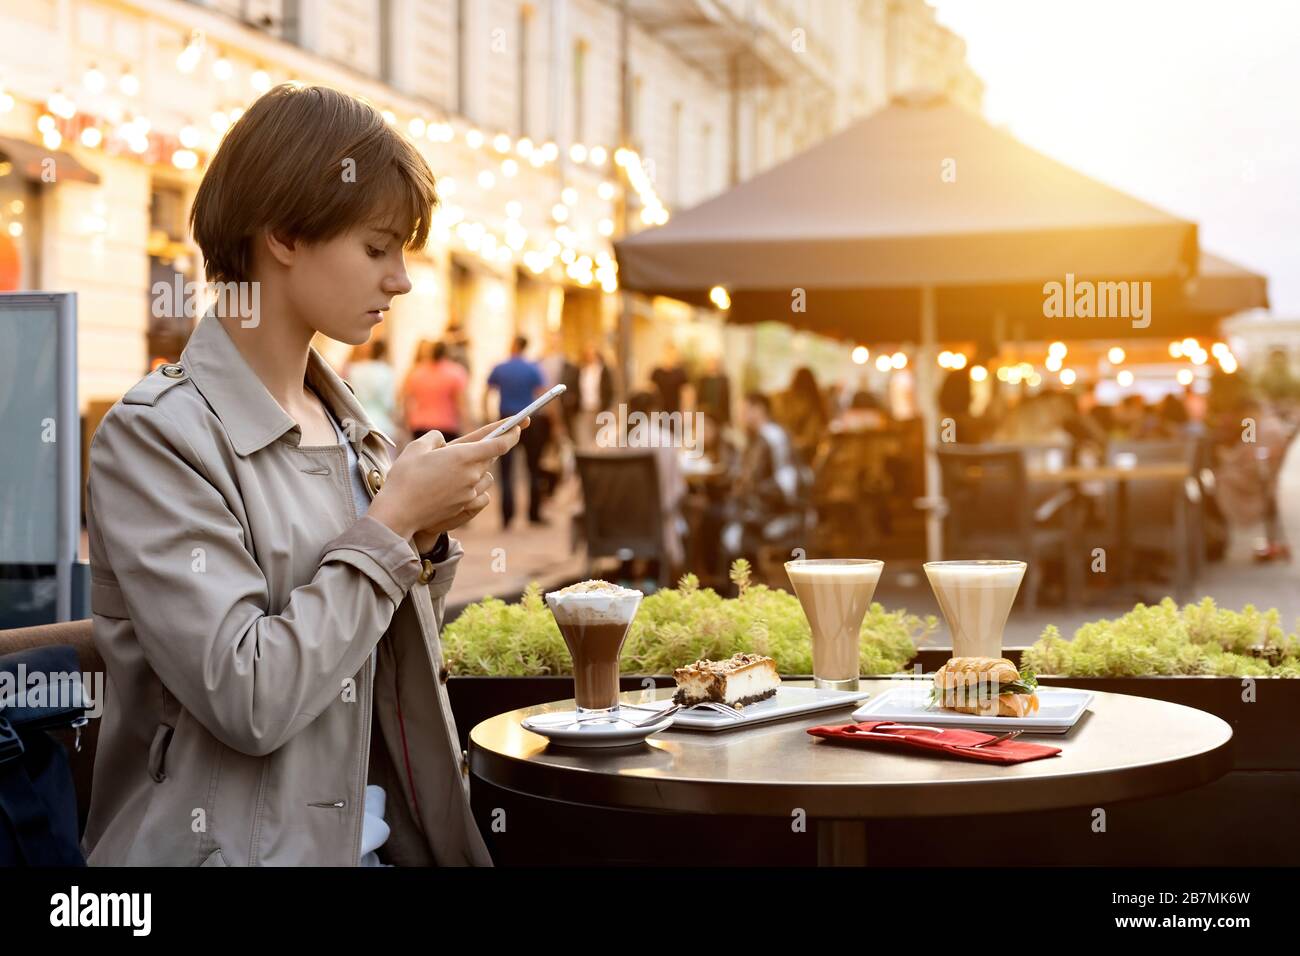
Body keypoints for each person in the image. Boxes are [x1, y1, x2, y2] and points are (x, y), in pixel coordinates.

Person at [81, 84, 525, 867]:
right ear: (284, 233)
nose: (402, 281)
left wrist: (420, 537)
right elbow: (249, 696)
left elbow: (377, 666)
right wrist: (389, 529)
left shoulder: (352, 427)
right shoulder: (156, 436)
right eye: (377, 248)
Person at [486, 335, 546, 526]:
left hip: (506, 420)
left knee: (506, 470)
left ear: (512, 345)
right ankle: (534, 514)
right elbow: (543, 394)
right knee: (533, 468)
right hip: (530, 420)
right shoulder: (532, 368)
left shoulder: (500, 368)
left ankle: (507, 515)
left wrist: (487, 414)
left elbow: (487, 391)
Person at [404, 339, 470, 441]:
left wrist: (407, 422)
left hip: (420, 425)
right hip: (447, 426)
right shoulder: (456, 372)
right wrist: (466, 427)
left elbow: (406, 400)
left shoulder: (416, 372)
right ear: (447, 352)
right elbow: (461, 404)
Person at [344, 338, 398, 439]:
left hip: (355, 422)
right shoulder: (386, 371)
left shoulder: (354, 369)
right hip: (381, 424)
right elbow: (388, 403)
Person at [573, 343, 614, 450]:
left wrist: (607, 407)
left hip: (600, 409)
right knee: (585, 440)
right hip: (585, 409)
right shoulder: (581, 370)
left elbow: (610, 390)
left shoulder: (603, 370)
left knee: (601, 440)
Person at [650, 343, 690, 413]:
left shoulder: (680, 373)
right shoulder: (656, 372)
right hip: (660, 410)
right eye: (668, 354)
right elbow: (651, 390)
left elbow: (685, 393)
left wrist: (686, 410)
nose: (670, 357)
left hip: (676, 410)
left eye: (673, 355)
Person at [695, 353, 731, 427]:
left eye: (715, 363)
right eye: (711, 363)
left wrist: (728, 418)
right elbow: (699, 397)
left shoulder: (724, 380)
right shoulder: (702, 380)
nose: (713, 365)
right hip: (706, 412)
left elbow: (727, 399)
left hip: (720, 413)